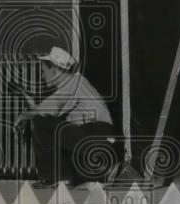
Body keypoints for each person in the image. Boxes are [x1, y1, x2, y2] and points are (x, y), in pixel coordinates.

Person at [14, 47, 120, 185]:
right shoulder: (73, 84)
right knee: (44, 124)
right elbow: (45, 110)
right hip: (94, 138)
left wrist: (23, 116)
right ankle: (70, 175)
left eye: (43, 71)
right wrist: (30, 103)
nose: (42, 76)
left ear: (54, 68)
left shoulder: (74, 82)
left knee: (43, 121)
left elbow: (46, 112)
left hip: (99, 136)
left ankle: (63, 175)